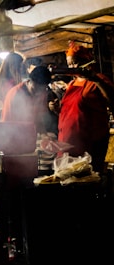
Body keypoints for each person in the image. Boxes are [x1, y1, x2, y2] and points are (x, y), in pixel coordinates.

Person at [54, 41, 114, 173]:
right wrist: (56, 108)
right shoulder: (71, 83)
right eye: (69, 64)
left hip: (89, 144)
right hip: (67, 143)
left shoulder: (98, 81)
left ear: (86, 61)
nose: (72, 67)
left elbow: (111, 99)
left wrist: (95, 79)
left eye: (75, 63)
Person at [1, 66, 52, 134]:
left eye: (41, 90)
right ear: (29, 81)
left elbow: (40, 119)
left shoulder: (43, 93)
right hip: (14, 134)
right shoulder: (15, 94)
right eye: (34, 89)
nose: (37, 93)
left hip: (33, 134)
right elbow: (7, 123)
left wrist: (44, 135)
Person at [0, 52, 24, 118]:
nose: (22, 69)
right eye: (20, 66)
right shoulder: (11, 84)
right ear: (13, 66)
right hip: (7, 121)